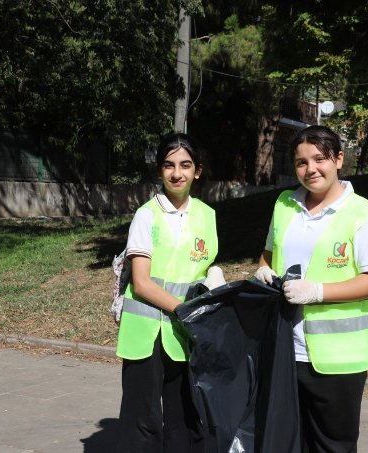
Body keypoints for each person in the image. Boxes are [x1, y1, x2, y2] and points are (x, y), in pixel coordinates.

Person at [254, 125, 368, 453]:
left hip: (338, 358)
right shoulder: (285, 205)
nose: (311, 169)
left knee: (333, 446)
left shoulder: (363, 214)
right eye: (301, 162)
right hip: (285, 348)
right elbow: (268, 254)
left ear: (339, 160)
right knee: (289, 443)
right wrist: (262, 270)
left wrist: (318, 291)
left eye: (320, 159)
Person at [115, 132, 224, 452]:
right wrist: (185, 310)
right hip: (146, 334)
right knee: (141, 421)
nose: (177, 173)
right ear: (159, 170)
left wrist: (215, 274)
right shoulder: (146, 215)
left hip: (183, 334)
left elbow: (204, 264)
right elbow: (142, 282)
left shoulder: (207, 215)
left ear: (197, 171)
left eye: (185, 165)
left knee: (184, 419)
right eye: (169, 165)